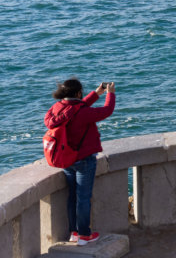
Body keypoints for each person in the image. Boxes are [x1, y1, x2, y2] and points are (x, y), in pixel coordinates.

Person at [44, 78, 116, 246]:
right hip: (84, 160)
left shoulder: (57, 108)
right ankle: (85, 234)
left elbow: (76, 109)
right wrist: (110, 94)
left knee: (72, 197)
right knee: (83, 198)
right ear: (77, 93)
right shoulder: (81, 112)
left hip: (67, 159)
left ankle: (74, 233)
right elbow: (106, 111)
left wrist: (97, 94)